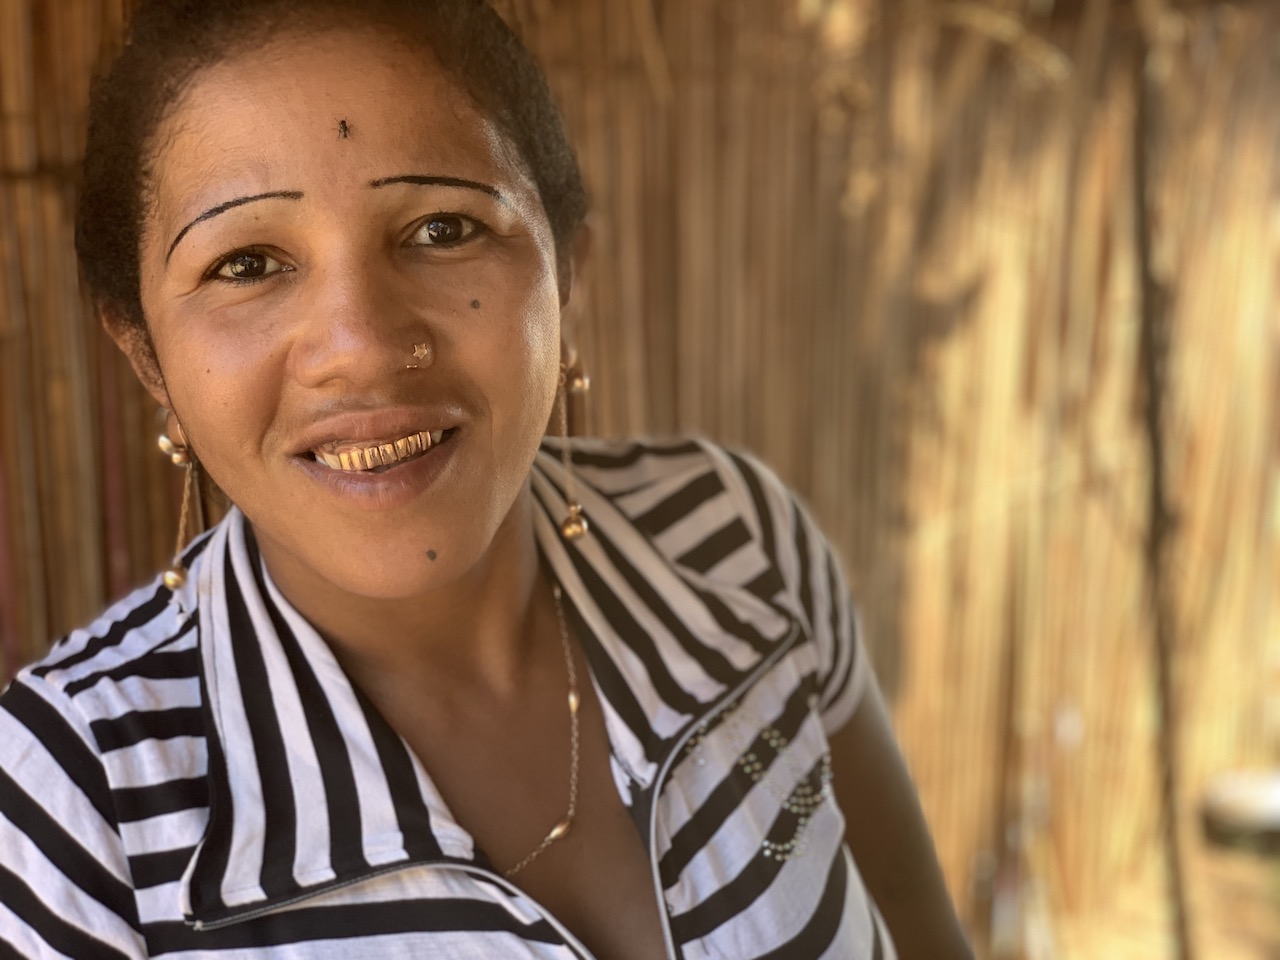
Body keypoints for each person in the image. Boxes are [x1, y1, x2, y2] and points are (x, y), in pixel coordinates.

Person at [0, 1, 972, 957]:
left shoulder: (732, 541)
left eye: (441, 230)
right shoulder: (77, 812)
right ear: (148, 357)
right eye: (248, 263)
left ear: (565, 275)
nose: (362, 347)